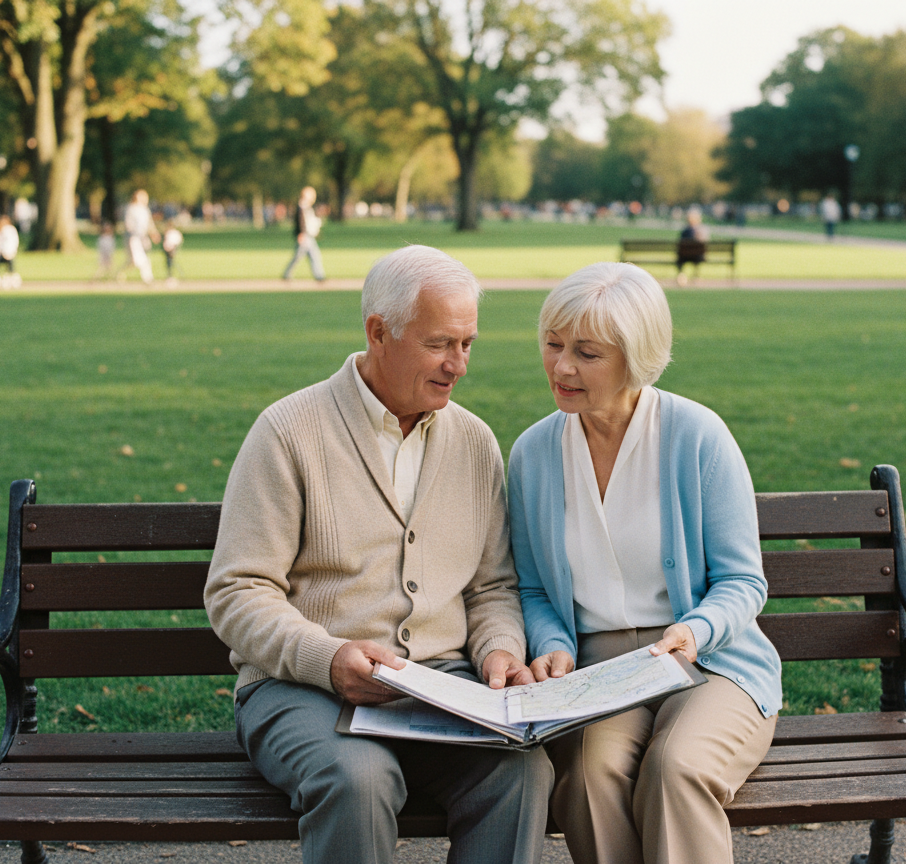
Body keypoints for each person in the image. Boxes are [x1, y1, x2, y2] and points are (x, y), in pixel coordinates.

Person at [205, 244, 552, 864]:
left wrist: (499, 652)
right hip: (300, 688)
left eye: (468, 343)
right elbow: (238, 591)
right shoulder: (288, 431)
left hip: (442, 688)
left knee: (520, 773)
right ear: (378, 332)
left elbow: (492, 588)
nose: (459, 366)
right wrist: (329, 656)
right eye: (441, 343)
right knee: (360, 780)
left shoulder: (473, 441)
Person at [507, 262, 781, 864]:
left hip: (710, 660)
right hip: (600, 673)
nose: (562, 367)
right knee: (586, 776)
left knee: (676, 766)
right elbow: (530, 588)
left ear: (637, 358)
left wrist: (693, 630)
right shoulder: (532, 453)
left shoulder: (697, 436)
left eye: (586, 352)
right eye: (553, 345)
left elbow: (742, 580)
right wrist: (552, 641)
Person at [281, 186, 325, 282]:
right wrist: (301, 233)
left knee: (314, 255)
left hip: (308, 235)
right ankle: (287, 274)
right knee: (298, 256)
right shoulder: (302, 206)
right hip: (304, 236)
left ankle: (319, 275)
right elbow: (300, 222)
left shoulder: (306, 207)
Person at [120, 189, 159, 285]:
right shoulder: (131, 208)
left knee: (143, 259)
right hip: (134, 237)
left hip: (143, 237)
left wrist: (153, 233)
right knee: (136, 260)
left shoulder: (145, 209)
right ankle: (120, 274)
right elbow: (128, 224)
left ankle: (148, 278)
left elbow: (149, 223)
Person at [676, 208, 710, 286]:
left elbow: (680, 243)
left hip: (684, 257)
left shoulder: (685, 231)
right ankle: (696, 277)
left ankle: (681, 275)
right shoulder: (703, 230)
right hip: (698, 257)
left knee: (680, 258)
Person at [162, 221, 183, 287]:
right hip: (167, 249)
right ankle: (169, 276)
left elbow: (177, 241)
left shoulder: (174, 233)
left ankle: (171, 276)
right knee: (168, 263)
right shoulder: (167, 232)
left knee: (170, 262)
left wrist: (173, 249)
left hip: (172, 248)